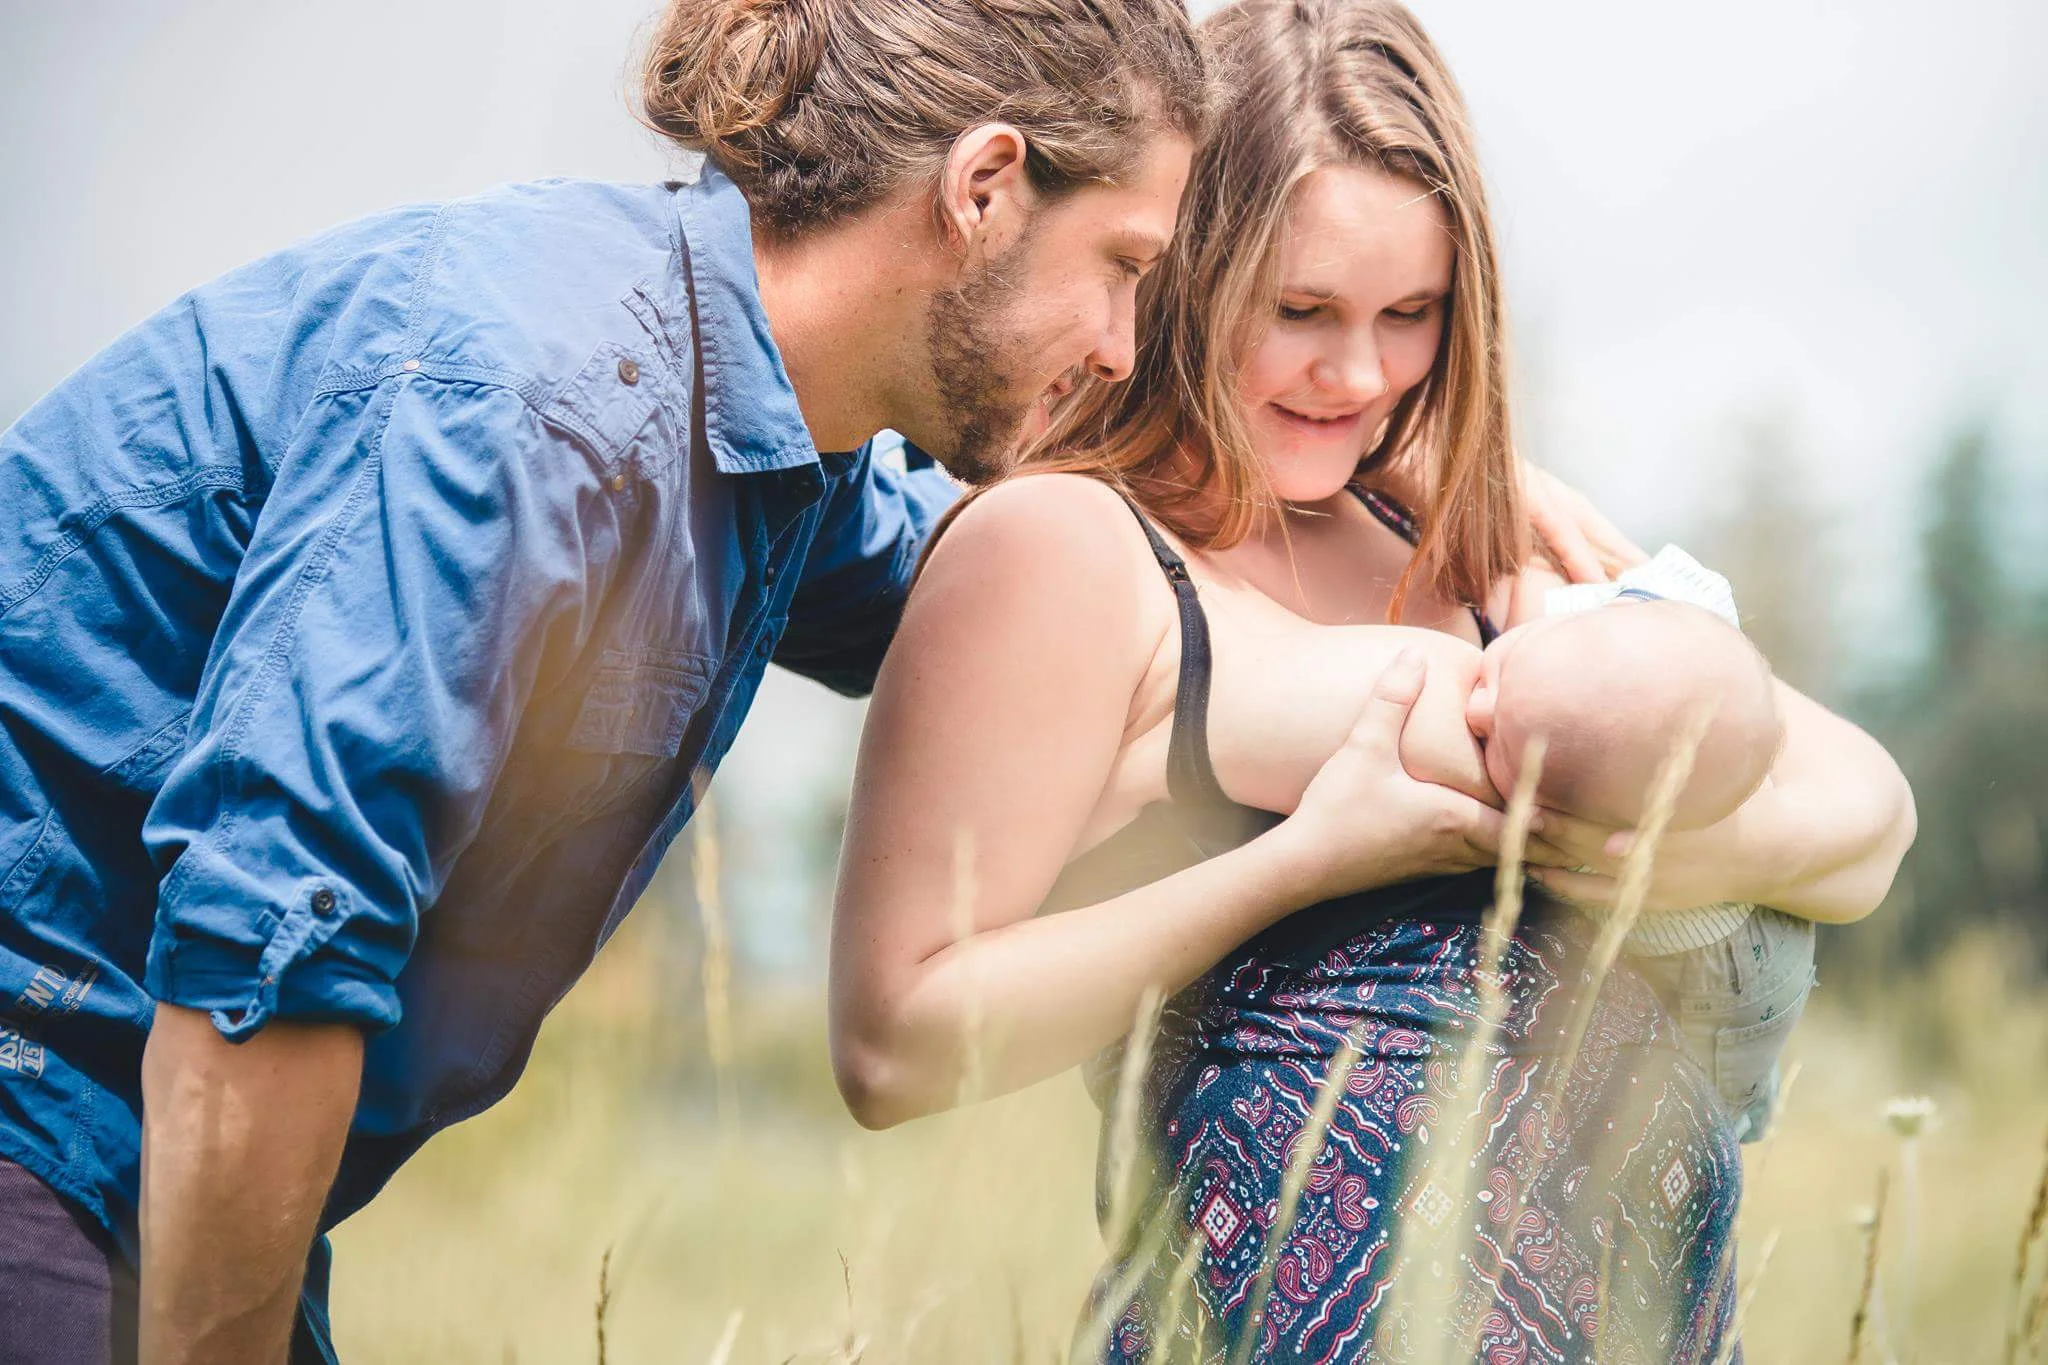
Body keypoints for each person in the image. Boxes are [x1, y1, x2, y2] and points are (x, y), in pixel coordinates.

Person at [0, 1, 1207, 1360]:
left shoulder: (777, 444)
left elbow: (1066, 650)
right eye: (1123, 264)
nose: (1120, 342)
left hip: (136, 1140)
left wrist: (1443, 580)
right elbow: (267, 955)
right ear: (983, 190)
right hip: (45, 1101)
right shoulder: (540, 401)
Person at [828, 0, 1915, 1358]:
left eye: (1411, 314)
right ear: (1181, 266)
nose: (1356, 373)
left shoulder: (1448, 533)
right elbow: (893, 1040)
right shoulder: (1066, 550)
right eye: (1301, 312)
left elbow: (1870, 820)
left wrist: (1613, 845)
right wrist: (1297, 866)